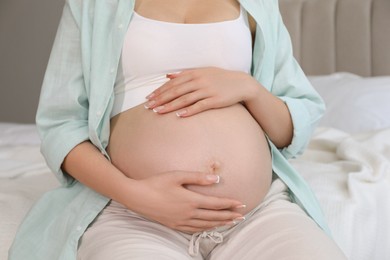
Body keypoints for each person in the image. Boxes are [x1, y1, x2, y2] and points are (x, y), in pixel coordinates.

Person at [9, 0, 347, 259]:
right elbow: (61, 125)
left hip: (256, 215)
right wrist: (135, 194)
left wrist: (249, 88)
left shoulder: (257, 5)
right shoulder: (94, 5)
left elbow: (292, 127)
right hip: (136, 215)